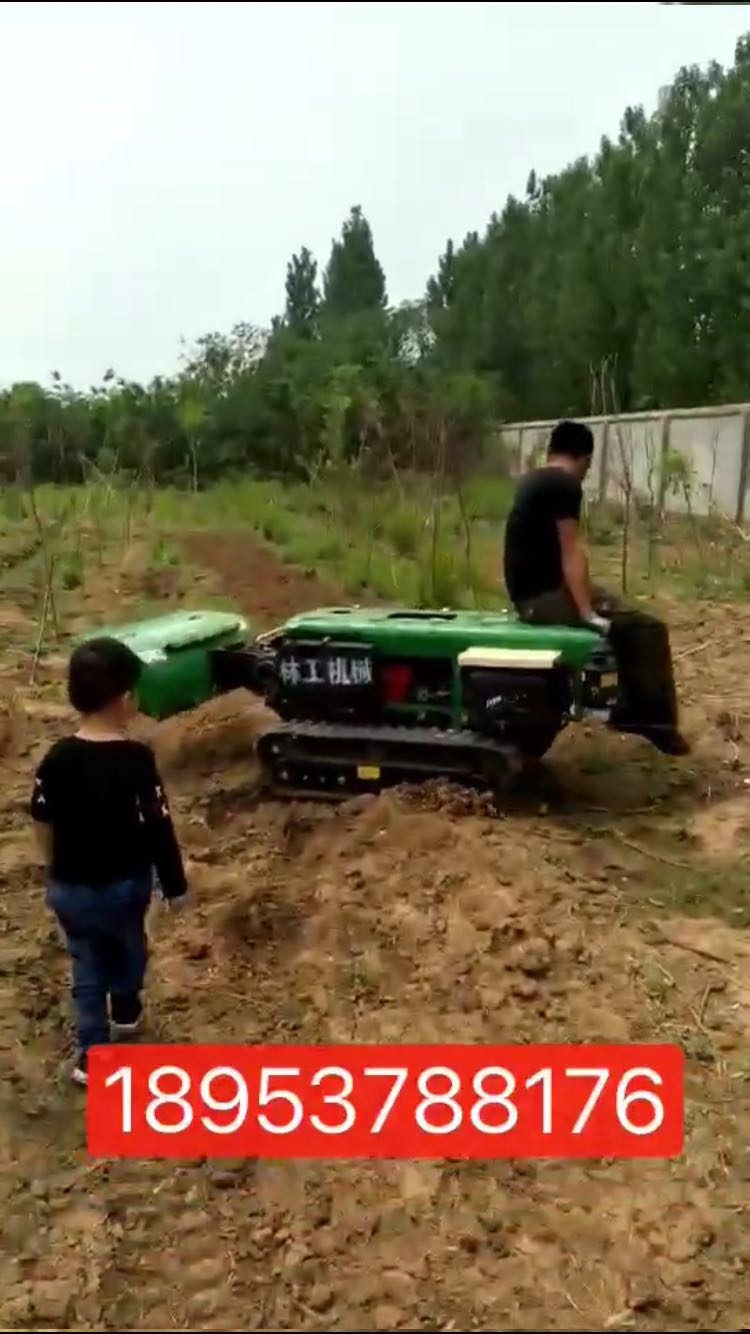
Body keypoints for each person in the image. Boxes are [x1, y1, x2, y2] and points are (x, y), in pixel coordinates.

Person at [30, 637, 188, 1086]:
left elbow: (41, 817)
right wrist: (174, 886)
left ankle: (92, 1054)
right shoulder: (136, 761)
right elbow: (159, 826)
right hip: (125, 887)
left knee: (86, 965)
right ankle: (125, 1005)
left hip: (72, 888)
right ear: (124, 700)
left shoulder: (57, 759)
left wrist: (52, 867)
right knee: (128, 947)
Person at [502, 419, 689, 757]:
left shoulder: (534, 480)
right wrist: (588, 612)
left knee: (618, 608)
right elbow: (571, 553)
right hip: (544, 600)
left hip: (530, 596)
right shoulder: (565, 485)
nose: (587, 472)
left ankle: (629, 703)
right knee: (647, 628)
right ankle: (648, 719)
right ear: (583, 457)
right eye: (588, 464)